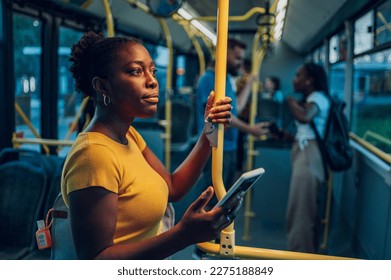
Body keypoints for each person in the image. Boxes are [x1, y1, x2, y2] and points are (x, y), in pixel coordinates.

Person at [61, 31, 244, 260]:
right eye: (136, 71)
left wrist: (209, 133)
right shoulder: (93, 156)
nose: (153, 81)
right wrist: (183, 235)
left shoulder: (129, 135)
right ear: (103, 87)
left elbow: (173, 187)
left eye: (153, 71)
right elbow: (96, 260)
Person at [195, 38, 268, 189]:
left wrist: (249, 83)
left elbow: (237, 108)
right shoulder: (209, 79)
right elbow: (223, 115)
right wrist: (251, 130)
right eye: (237, 58)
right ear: (223, 54)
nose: (240, 63)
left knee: (225, 194)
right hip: (213, 147)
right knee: (211, 198)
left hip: (229, 145)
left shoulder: (226, 79)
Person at [284, 62, 331, 253]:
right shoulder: (312, 97)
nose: (294, 79)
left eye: (298, 75)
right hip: (304, 151)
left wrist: (290, 101)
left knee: (301, 211)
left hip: (310, 156)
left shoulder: (318, 98)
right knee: (301, 207)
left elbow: (305, 116)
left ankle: (299, 258)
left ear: (309, 80)